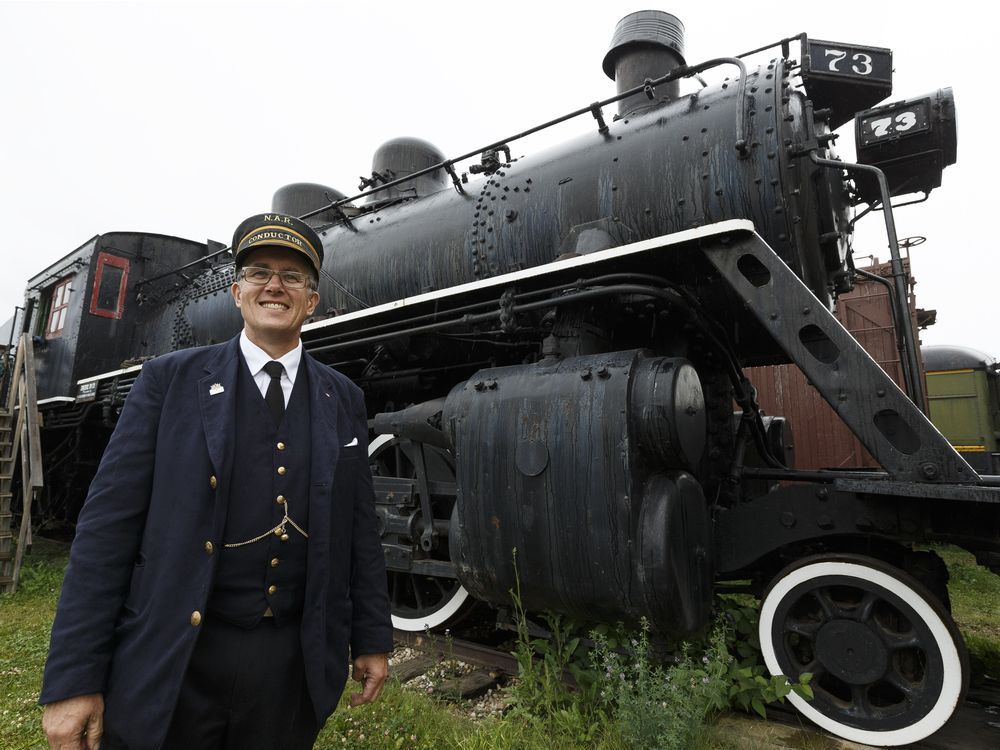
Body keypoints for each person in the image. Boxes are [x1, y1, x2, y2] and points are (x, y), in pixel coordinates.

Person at [39, 213, 392, 750]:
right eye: (259, 272)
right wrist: (74, 679)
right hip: (179, 656)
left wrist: (370, 637)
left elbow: (360, 533)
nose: (275, 285)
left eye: (292, 276)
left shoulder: (343, 397)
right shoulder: (167, 381)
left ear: (312, 299)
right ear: (236, 292)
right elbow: (105, 533)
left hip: (288, 668)